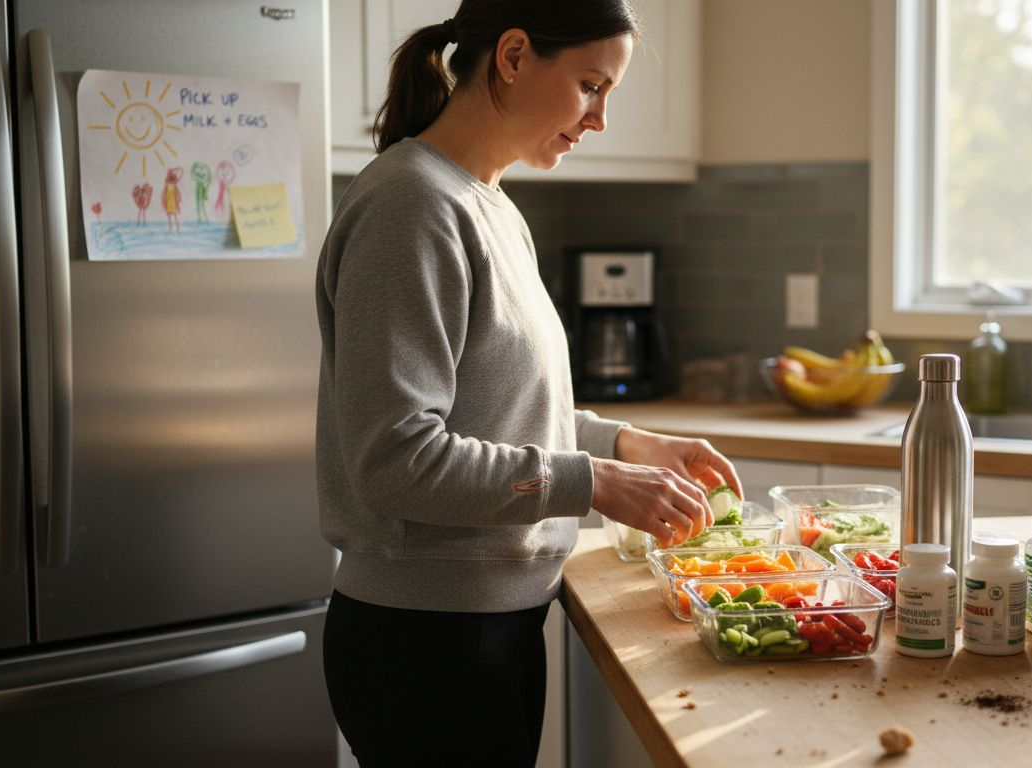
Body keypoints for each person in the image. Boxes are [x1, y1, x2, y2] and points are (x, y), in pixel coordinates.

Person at [314, 2, 741, 765]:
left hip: (484, 627)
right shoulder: (411, 206)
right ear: (512, 56)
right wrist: (596, 481)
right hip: (423, 642)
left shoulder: (492, 208)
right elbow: (397, 460)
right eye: (589, 86)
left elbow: (500, 411)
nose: (600, 119)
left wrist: (626, 444)